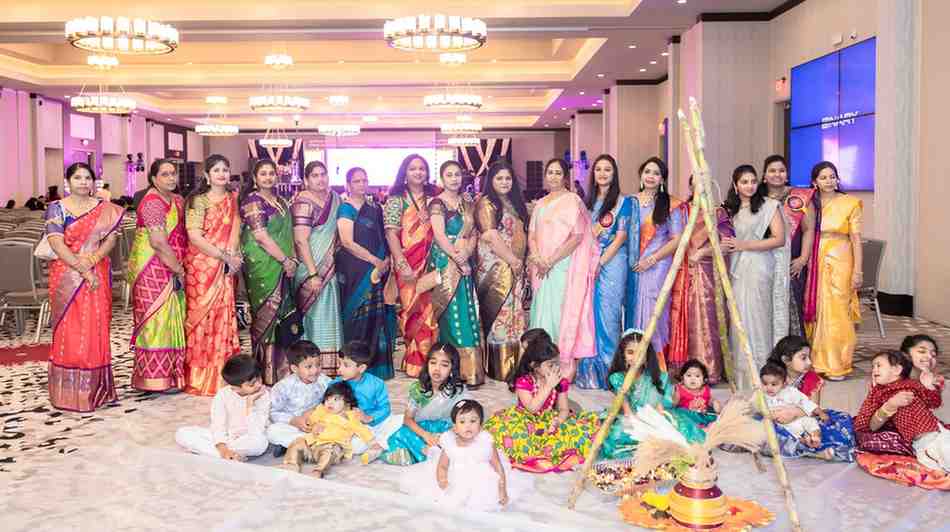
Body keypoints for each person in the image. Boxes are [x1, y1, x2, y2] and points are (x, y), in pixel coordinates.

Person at [45, 162, 124, 412]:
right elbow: (56, 243)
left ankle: (95, 391)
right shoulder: (56, 208)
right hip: (65, 275)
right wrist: (82, 268)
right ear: (68, 181)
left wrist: (92, 261)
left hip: (97, 272)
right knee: (68, 331)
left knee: (95, 328)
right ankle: (68, 394)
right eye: (77, 177)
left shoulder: (105, 209)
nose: (83, 182)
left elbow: (110, 240)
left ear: (94, 182)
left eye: (87, 178)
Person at [484, 337, 600, 473]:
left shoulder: (560, 382)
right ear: (534, 366)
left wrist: (558, 421)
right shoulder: (524, 382)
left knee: (579, 433)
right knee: (517, 439)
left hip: (548, 419)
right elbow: (532, 408)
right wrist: (549, 386)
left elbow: (563, 409)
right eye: (550, 365)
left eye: (557, 364)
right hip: (524, 420)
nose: (556, 368)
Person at [527, 158, 597, 380]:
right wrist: (538, 258)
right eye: (550, 172)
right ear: (545, 176)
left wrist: (550, 261)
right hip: (540, 267)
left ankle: (560, 365)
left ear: (565, 177)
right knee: (541, 310)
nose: (554, 176)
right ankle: (539, 364)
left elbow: (577, 237)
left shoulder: (573, 201)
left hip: (561, 266)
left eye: (558, 173)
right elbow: (532, 235)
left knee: (560, 313)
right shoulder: (540, 203)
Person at [721, 164, 787, 391]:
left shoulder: (769, 206)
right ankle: (742, 380)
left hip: (759, 267)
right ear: (735, 185)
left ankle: (763, 378)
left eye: (752, 181)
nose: (749, 186)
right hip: (737, 269)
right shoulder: (729, 210)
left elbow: (779, 239)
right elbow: (725, 240)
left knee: (758, 320)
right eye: (744, 182)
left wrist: (744, 245)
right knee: (738, 320)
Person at [399, 399, 531, 512]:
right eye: (462, 422)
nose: (468, 426)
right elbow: (442, 466)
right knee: (439, 495)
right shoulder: (450, 443)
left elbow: (497, 466)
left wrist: (502, 489)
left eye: (473, 421)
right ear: (455, 427)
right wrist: (443, 481)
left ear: (481, 425)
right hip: (455, 477)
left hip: (482, 480)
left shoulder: (486, 441)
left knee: (486, 497)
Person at [183, 155, 242, 396]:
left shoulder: (233, 199)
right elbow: (194, 236)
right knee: (202, 320)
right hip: (201, 268)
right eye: (216, 170)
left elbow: (236, 231)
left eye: (225, 170)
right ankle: (199, 377)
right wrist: (224, 256)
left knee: (223, 318)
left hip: (225, 266)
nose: (221, 174)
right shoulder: (198, 201)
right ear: (207, 175)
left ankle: (223, 375)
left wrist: (233, 257)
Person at [599, 330, 707, 461]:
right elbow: (627, 412)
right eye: (630, 352)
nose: (635, 357)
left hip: (654, 416)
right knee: (616, 437)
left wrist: (658, 421)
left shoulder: (657, 377)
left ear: (647, 355)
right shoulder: (617, 378)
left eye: (640, 353)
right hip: (631, 419)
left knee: (678, 430)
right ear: (623, 355)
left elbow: (660, 406)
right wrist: (641, 425)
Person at [128, 159, 188, 393]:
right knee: (156, 320)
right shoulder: (152, 202)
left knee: (173, 317)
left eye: (173, 173)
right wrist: (179, 270)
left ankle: (171, 375)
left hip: (172, 262)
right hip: (151, 267)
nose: (171, 178)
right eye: (165, 174)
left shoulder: (177, 200)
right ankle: (152, 379)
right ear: (153, 178)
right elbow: (158, 242)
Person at [667, 176, 734, 383]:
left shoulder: (718, 213)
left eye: (705, 182)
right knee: (681, 319)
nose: (702, 186)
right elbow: (671, 239)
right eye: (697, 182)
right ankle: (684, 371)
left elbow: (727, 244)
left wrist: (703, 252)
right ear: (690, 186)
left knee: (708, 320)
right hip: (681, 271)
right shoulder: (682, 210)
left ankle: (709, 370)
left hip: (708, 272)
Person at [240, 160, 299, 385]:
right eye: (263, 174)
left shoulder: (282, 201)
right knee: (266, 316)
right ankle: (266, 372)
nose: (268, 177)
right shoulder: (253, 201)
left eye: (271, 173)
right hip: (263, 266)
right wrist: (284, 260)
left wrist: (292, 260)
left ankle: (283, 369)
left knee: (284, 315)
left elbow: (289, 234)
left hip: (284, 263)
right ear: (255, 178)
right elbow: (261, 236)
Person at [336, 166, 397, 380]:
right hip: (355, 270)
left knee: (376, 318)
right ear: (348, 185)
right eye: (356, 181)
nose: (361, 184)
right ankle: (353, 365)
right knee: (356, 316)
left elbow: (383, 236)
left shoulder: (375, 208)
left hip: (378, 269)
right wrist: (374, 260)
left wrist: (386, 260)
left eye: (364, 180)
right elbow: (347, 242)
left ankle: (376, 367)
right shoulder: (346, 209)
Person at [428, 161, 484, 386]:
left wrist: (466, 253)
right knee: (451, 313)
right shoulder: (437, 203)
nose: (454, 179)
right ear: (442, 178)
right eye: (449, 175)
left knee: (468, 311)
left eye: (457, 175)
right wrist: (456, 257)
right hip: (445, 262)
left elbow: (474, 233)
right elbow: (439, 235)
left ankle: (471, 371)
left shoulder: (468, 202)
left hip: (464, 260)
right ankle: (451, 370)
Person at [578, 154, 632, 389]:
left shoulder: (623, 202)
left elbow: (621, 237)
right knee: (589, 316)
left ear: (614, 174)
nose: (602, 173)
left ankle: (611, 370)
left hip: (612, 263)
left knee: (609, 316)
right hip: (588, 262)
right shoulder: (586, 202)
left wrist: (600, 262)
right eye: (598, 169)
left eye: (607, 169)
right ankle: (591, 373)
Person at [626, 157, 686, 366]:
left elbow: (677, 239)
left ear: (662, 179)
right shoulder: (630, 201)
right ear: (641, 175)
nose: (650, 176)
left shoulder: (670, 204)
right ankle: (634, 362)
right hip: (633, 266)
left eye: (656, 173)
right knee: (632, 311)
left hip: (657, 265)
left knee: (653, 312)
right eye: (647, 172)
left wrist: (651, 259)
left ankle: (655, 364)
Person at [806, 162, 863, 380]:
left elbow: (856, 239)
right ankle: (815, 361)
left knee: (838, 309)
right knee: (815, 306)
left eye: (832, 176)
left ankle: (837, 363)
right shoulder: (809, 203)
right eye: (823, 177)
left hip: (841, 260)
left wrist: (858, 271)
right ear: (815, 182)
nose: (829, 181)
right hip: (814, 258)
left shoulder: (850, 203)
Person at [475, 161, 530, 382]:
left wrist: (518, 263)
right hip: (496, 269)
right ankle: (500, 368)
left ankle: (515, 365)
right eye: (499, 178)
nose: (504, 182)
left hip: (514, 266)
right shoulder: (486, 203)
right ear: (491, 181)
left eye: (508, 178)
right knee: (500, 316)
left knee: (515, 315)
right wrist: (512, 260)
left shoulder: (513, 203)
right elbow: (490, 236)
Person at [384, 154, 438, 377]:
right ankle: (415, 362)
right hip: (407, 264)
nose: (418, 172)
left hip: (433, 263)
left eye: (422, 168)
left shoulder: (435, 198)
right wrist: (401, 263)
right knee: (411, 311)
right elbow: (391, 234)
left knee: (432, 312)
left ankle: (433, 361)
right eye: (413, 168)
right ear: (404, 173)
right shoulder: (396, 200)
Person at [761, 339, 856, 462]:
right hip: (776, 420)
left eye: (809, 357)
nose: (809, 362)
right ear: (786, 360)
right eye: (803, 358)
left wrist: (794, 413)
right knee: (764, 429)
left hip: (803, 418)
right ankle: (811, 451)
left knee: (840, 420)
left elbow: (812, 408)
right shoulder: (772, 378)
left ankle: (808, 443)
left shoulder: (812, 378)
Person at [854, 351, 949, 472]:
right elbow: (863, 424)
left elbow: (934, 403)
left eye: (878, 365)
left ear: (897, 370)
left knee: (944, 449)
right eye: (873, 367)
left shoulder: (912, 385)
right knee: (936, 458)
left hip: (938, 432)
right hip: (921, 443)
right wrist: (889, 406)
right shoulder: (878, 393)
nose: (874, 370)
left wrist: (929, 387)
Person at [293, 160, 344, 376]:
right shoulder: (303, 202)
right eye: (314, 175)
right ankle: (310, 366)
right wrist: (314, 273)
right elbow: (301, 240)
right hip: (311, 268)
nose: (320, 179)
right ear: (306, 180)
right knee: (314, 316)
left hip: (331, 268)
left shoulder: (335, 198)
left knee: (330, 314)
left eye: (323, 174)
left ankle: (331, 366)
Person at [384, 343, 470, 465]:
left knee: (462, 438)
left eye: (444, 365)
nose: (437, 369)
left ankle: (422, 454)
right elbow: (408, 419)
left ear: (452, 369)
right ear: (427, 364)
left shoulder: (457, 391)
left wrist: (443, 436)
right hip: (423, 430)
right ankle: (428, 453)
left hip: (447, 432)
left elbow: (465, 418)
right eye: (433, 363)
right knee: (401, 434)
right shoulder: (418, 388)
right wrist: (426, 435)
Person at [760, 155, 818, 336]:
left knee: (791, 305)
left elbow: (808, 229)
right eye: (772, 170)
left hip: (791, 261)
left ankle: (792, 347)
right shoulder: (757, 197)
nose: (777, 174)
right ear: (764, 176)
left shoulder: (799, 197)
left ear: (787, 175)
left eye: (781, 170)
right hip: (762, 261)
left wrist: (803, 258)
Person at [174, 355, 270, 461]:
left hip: (247, 439)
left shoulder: (263, 395)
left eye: (259, 379)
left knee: (260, 444)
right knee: (182, 433)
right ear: (235, 388)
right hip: (226, 438)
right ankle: (228, 455)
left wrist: (250, 405)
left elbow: (257, 430)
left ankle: (221, 455)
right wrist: (223, 449)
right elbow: (218, 425)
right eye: (252, 384)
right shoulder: (223, 395)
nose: (258, 385)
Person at [280, 381, 374, 478]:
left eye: (335, 399)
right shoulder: (322, 410)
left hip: (333, 446)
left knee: (330, 450)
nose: (330, 403)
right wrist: (314, 425)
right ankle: (291, 464)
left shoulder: (350, 416)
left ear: (347, 402)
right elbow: (310, 421)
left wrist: (372, 442)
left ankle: (319, 470)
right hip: (312, 446)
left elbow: (361, 429)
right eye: (327, 399)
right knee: (298, 442)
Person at [332, 340, 403, 464]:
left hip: (377, 423)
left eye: (345, 365)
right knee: (354, 446)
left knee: (402, 420)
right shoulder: (335, 384)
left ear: (361, 368)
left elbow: (385, 408)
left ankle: (378, 446)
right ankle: (380, 444)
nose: (339, 369)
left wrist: (369, 418)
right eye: (339, 364)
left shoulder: (377, 383)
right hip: (355, 428)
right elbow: (327, 406)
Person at [265, 341, 332, 455]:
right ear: (295, 368)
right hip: (293, 426)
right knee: (272, 431)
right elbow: (273, 412)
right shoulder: (283, 387)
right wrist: (294, 420)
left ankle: (297, 445)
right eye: (309, 367)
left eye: (318, 365)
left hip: (317, 424)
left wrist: (317, 413)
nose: (315, 370)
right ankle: (310, 444)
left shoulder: (325, 381)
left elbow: (335, 401)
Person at [760, 363, 828, 454]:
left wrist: (820, 413)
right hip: (783, 426)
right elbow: (755, 409)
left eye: (774, 384)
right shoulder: (761, 396)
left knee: (810, 422)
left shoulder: (790, 392)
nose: (769, 388)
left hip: (797, 420)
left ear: (784, 384)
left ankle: (815, 436)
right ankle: (805, 441)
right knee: (783, 435)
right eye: (765, 384)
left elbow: (805, 402)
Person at [672, 360, 721, 427]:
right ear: (682, 378)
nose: (693, 379)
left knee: (716, 421)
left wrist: (714, 402)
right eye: (689, 375)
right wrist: (674, 397)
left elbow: (709, 399)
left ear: (704, 380)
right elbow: (672, 405)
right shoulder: (680, 390)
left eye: (697, 376)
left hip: (702, 417)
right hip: (686, 419)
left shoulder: (705, 389)